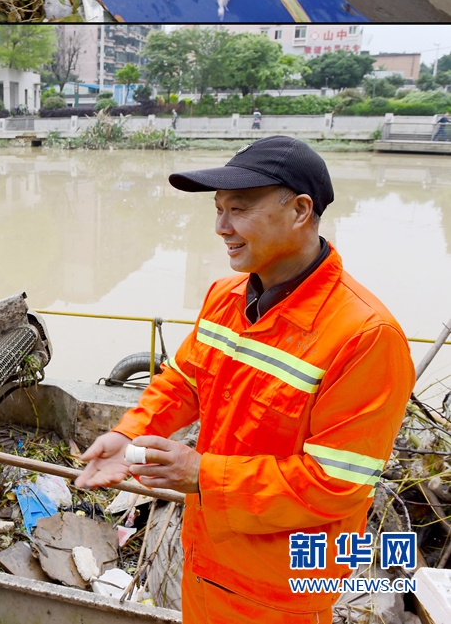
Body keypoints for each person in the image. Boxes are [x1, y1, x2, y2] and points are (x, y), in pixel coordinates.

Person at [75, 136, 413, 623]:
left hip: (280, 587)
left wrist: (201, 475)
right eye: (217, 209)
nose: (221, 227)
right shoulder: (225, 295)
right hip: (207, 552)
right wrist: (126, 434)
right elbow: (185, 382)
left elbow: (335, 483)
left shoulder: (364, 336)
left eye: (239, 209)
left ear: (300, 210)